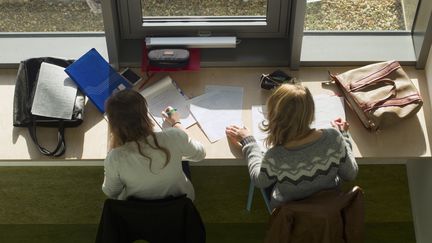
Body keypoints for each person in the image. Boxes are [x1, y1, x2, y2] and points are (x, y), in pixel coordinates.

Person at [226, 83, 358, 210]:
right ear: (311, 112)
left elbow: (259, 181)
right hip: (328, 209)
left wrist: (249, 142)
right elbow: (350, 174)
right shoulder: (333, 138)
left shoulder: (276, 156)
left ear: (273, 117)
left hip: (290, 215)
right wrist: (344, 136)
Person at [102, 89, 206, 201]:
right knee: (182, 156)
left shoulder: (114, 158)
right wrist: (177, 123)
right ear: (145, 114)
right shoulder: (174, 136)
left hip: (139, 210)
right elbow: (200, 154)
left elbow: (111, 192)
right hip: (180, 202)